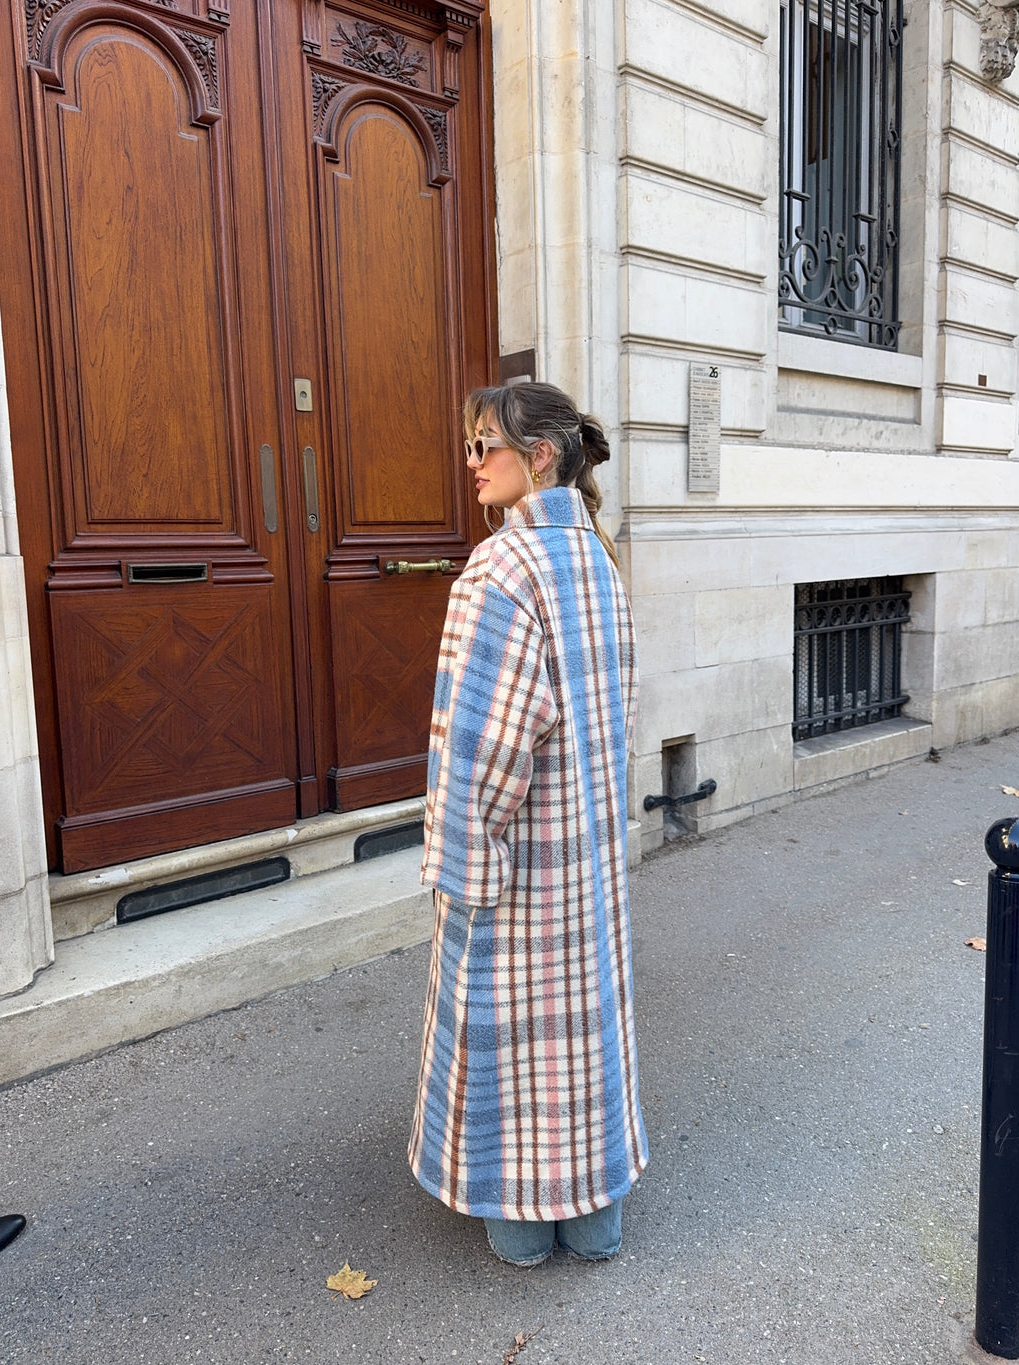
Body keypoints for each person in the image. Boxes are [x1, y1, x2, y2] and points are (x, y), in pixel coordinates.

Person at [408, 381, 648, 1267]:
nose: (471, 463)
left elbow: (479, 748)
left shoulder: (500, 571)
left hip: (520, 862)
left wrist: (461, 861)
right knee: (584, 1034)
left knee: (518, 1044)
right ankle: (595, 1221)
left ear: (536, 455)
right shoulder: (598, 558)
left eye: (485, 447)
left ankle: (520, 1225)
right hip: (588, 849)